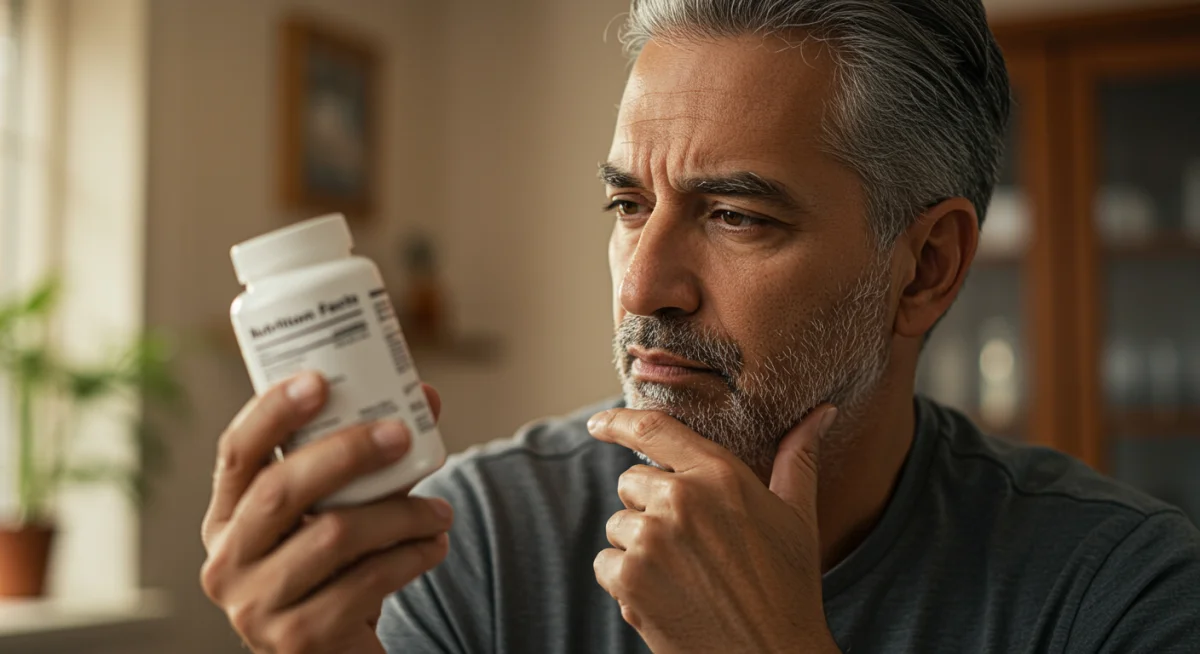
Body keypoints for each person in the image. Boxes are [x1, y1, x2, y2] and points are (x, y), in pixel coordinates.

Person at [200, 1, 1200, 652]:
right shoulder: (478, 545)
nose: (644, 287)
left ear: (926, 269)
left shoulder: (1121, 594)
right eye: (629, 206)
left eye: (737, 217)